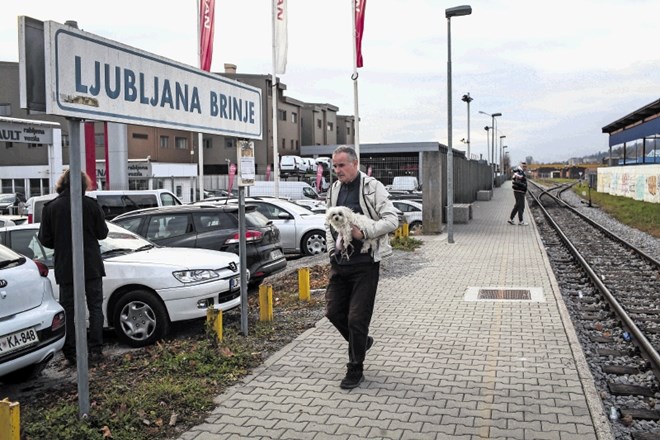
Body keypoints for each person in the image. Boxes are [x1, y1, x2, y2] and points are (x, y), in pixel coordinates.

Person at [324, 146, 399, 389]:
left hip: (365, 264)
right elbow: (328, 224)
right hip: (340, 264)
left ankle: (355, 368)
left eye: (341, 165)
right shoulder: (334, 189)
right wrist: (330, 251)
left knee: (357, 318)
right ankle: (362, 342)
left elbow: (392, 220)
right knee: (333, 312)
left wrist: (363, 232)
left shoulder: (372, 187)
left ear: (355, 164)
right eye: (334, 166)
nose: (337, 171)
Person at [38, 170, 109, 366]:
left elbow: (45, 239)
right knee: (95, 307)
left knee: (68, 309)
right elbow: (102, 234)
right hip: (91, 265)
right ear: (84, 184)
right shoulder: (90, 205)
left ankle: (71, 352)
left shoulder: (51, 208)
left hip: (66, 265)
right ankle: (95, 350)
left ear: (62, 184)